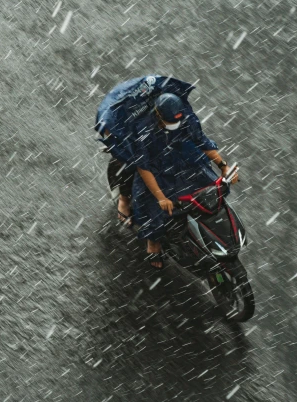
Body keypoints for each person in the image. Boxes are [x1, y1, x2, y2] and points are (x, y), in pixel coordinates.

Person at [96, 76, 238, 268]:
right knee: (152, 204)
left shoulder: (185, 116)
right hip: (153, 161)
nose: (176, 124)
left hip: (179, 150)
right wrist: (161, 197)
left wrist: (223, 166)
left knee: (206, 178)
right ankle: (151, 240)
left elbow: (202, 141)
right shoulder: (143, 131)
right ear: (158, 116)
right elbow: (144, 168)